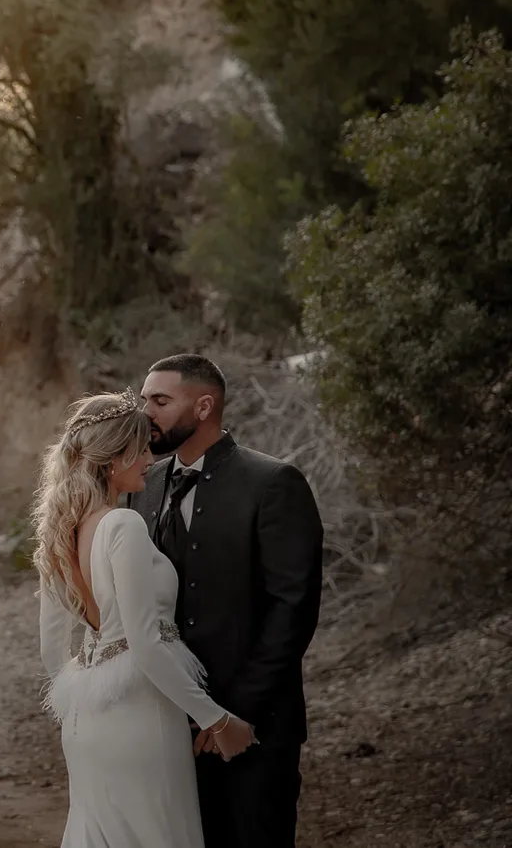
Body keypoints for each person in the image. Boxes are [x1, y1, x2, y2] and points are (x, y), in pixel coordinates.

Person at [35, 392, 255, 848]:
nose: (150, 460)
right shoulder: (122, 525)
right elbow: (146, 644)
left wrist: (84, 711)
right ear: (111, 459)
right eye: (139, 449)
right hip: (141, 717)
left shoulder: (61, 531)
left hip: (86, 727)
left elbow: (51, 651)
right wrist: (217, 721)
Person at [137, 354, 324, 848]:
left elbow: (294, 608)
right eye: (143, 400)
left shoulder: (274, 483)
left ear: (204, 406)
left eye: (159, 400)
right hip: (168, 723)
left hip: (257, 727)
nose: (145, 412)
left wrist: (230, 713)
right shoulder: (144, 484)